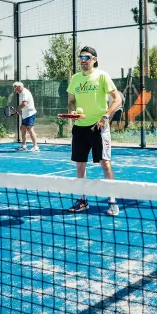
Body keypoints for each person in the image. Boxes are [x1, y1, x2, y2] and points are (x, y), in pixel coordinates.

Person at [66, 46, 122, 216]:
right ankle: (82, 200)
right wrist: (73, 111)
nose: (83, 60)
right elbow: (71, 101)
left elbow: (117, 99)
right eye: (81, 57)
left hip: (99, 127)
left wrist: (106, 116)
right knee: (80, 165)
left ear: (94, 59)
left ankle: (112, 201)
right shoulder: (75, 79)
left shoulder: (102, 76)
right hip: (80, 129)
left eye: (87, 57)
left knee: (105, 163)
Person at [13, 81, 39, 152]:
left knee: (30, 129)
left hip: (30, 114)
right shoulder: (21, 93)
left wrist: (18, 108)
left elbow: (24, 103)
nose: (15, 90)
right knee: (22, 128)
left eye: (15, 88)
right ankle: (24, 146)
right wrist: (20, 110)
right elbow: (24, 105)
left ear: (19, 87)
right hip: (25, 114)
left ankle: (36, 147)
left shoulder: (24, 92)